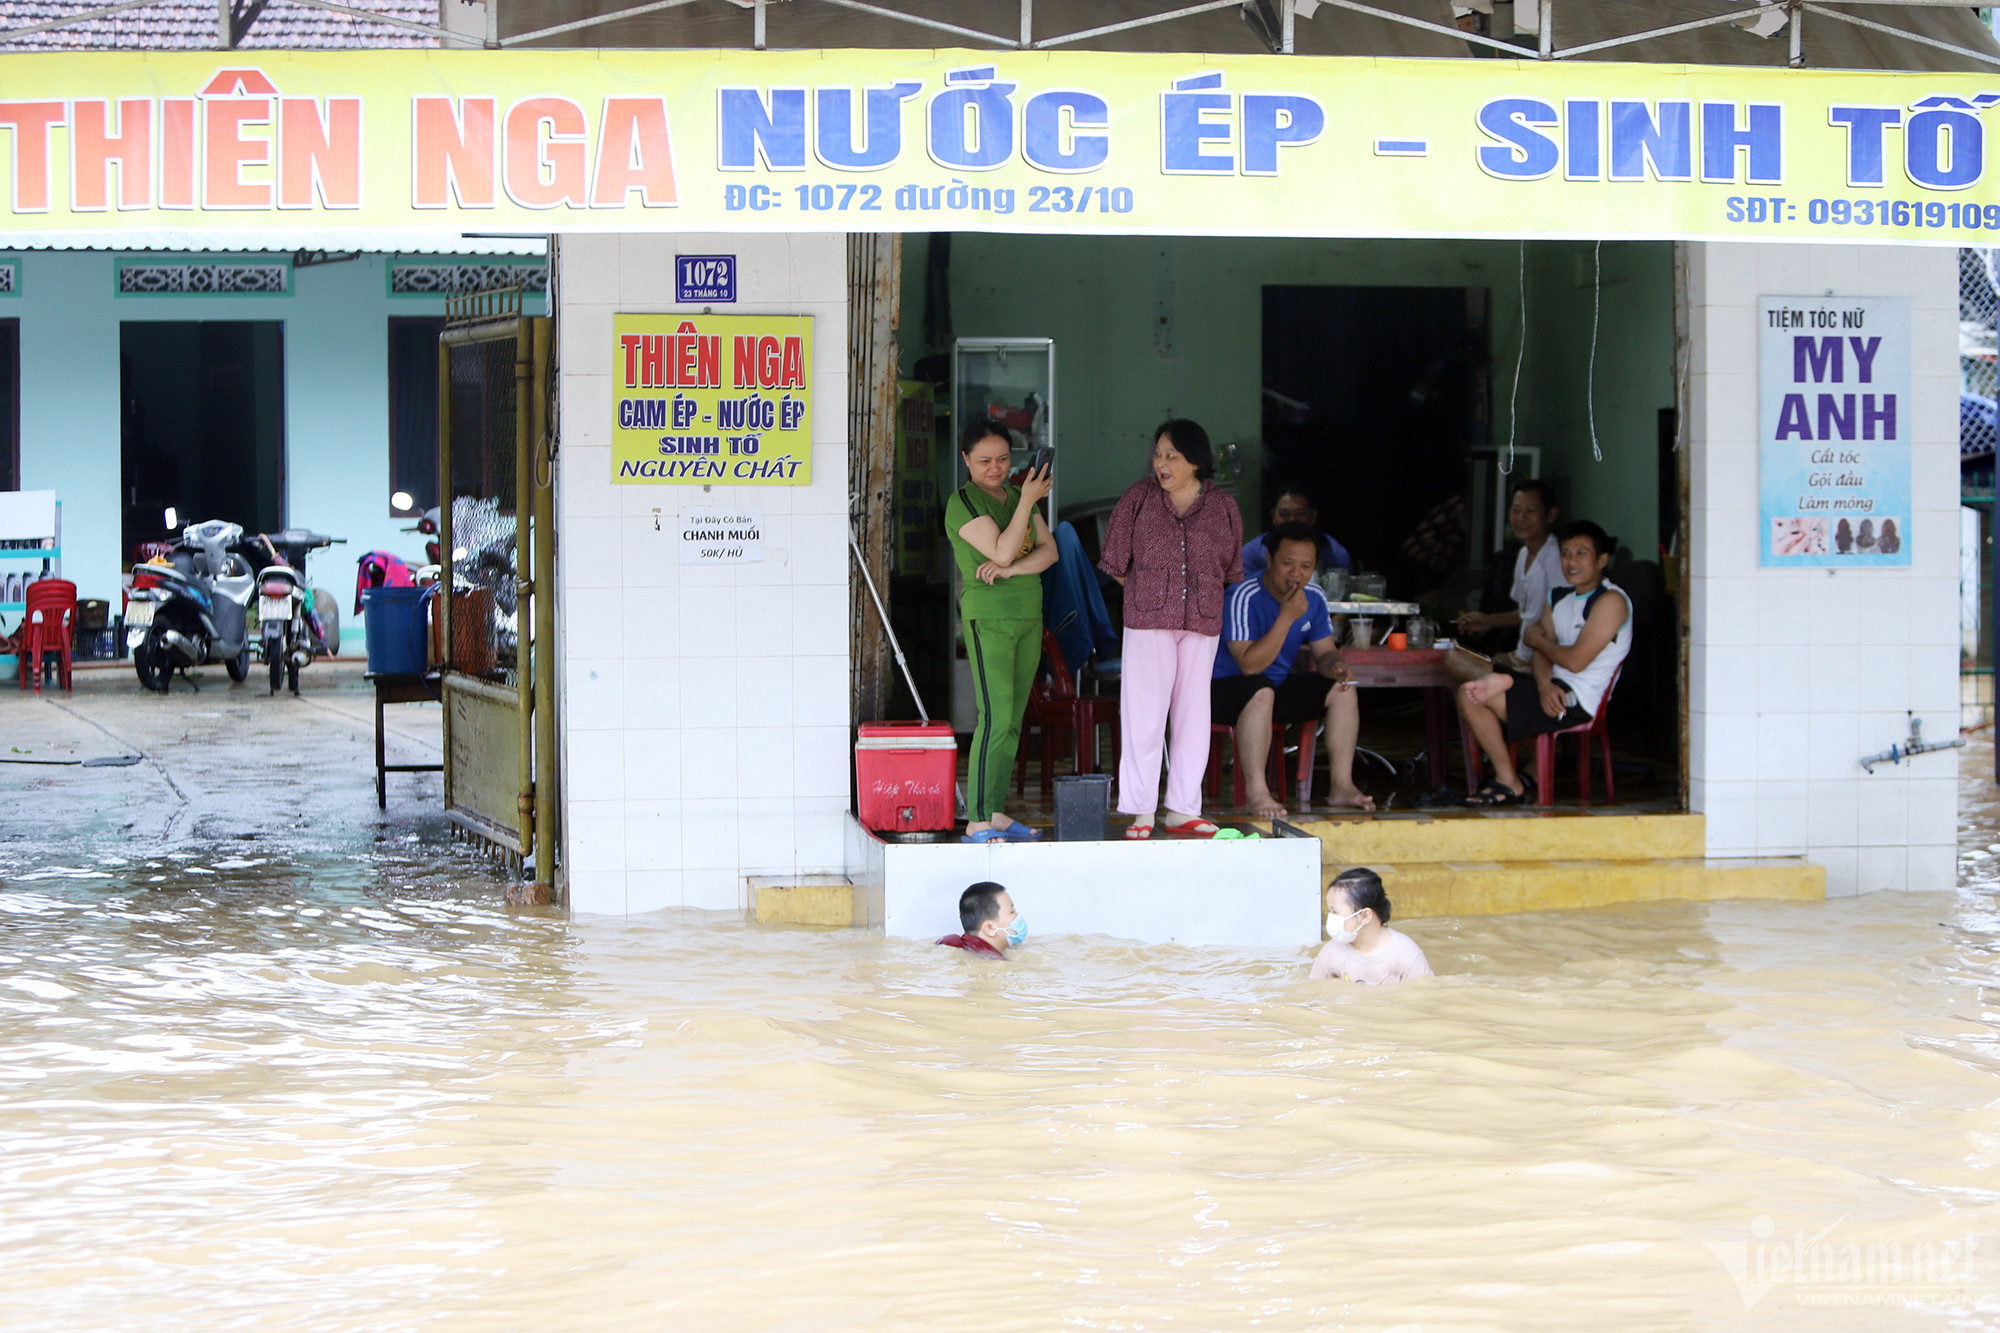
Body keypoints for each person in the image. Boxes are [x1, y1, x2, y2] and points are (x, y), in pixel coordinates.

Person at [1098, 419, 1244, 840]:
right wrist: (1152, 593)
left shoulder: (1224, 508)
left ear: (1197, 461)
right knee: (1144, 715)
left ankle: (1182, 809)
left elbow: (1230, 569)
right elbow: (1114, 563)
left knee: (1193, 716)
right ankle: (1141, 810)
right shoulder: (1139, 498)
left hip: (1201, 621)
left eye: (1171, 456)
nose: (1161, 463)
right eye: (1158, 454)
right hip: (1148, 621)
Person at [1455, 520, 1632, 807]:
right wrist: (1543, 683)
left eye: (1581, 554)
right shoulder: (1558, 597)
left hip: (1577, 700)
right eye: (1565, 553)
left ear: (1602, 560)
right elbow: (1541, 652)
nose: (1571, 561)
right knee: (1468, 686)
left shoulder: (1611, 601)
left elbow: (1574, 661)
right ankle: (1512, 771)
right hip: (1550, 686)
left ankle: (1508, 780)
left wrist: (1539, 643)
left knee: (1471, 695)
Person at [944, 417, 1058, 843]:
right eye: (985, 460)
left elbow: (1049, 552)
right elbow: (1004, 548)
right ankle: (976, 818)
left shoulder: (1015, 494)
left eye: (1004, 459)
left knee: (1014, 719)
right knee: (994, 717)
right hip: (988, 617)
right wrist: (1027, 500)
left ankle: (994, 809)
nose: (995, 468)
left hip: (1029, 613)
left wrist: (1011, 570)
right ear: (966, 460)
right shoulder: (965, 502)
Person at [1211, 522, 1375, 818]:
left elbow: (1324, 652)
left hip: (1273, 689)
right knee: (1259, 688)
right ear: (1270, 559)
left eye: (1305, 566)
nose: (1296, 573)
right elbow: (1249, 665)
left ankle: (1341, 786)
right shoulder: (1242, 595)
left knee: (1342, 691)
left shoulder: (1314, 596)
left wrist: (1335, 666)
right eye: (1288, 563)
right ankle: (1258, 793)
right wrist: (1286, 617)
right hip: (1225, 689)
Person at [1456, 478, 1561, 668]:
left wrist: (1516, 660)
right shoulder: (1523, 554)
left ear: (1551, 515)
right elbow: (1526, 614)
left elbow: (1555, 621)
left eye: (1530, 511)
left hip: (1545, 663)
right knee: (1453, 657)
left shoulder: (1556, 558)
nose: (1520, 518)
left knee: (1459, 666)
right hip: (1523, 657)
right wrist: (1489, 620)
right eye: (1515, 510)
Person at [1310, 868, 1432, 984]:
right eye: (1329, 911)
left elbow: (1426, 998)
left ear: (1365, 916)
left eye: (1335, 912)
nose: (1330, 918)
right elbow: (1312, 994)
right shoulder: (1332, 952)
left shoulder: (1406, 953)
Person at [1240, 482, 1353, 579]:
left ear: (1313, 517)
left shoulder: (1334, 553)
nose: (1292, 520)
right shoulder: (1252, 553)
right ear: (1273, 516)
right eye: (1284, 514)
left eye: (1300, 514)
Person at [936, 881, 1025, 958]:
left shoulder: (950, 943)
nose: (1017, 915)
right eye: (1012, 911)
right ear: (990, 928)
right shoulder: (993, 964)